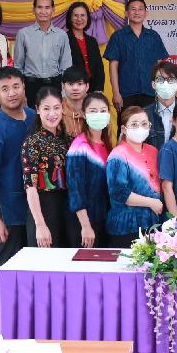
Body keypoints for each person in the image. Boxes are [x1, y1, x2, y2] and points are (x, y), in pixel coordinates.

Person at [0, 67, 35, 331]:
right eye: (5, 89)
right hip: (6, 213)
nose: (11, 93)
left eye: (15, 87)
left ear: (23, 87)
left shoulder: (33, 117)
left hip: (31, 212)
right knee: (1, 270)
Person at [105, 106, 164, 247]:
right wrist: (151, 202)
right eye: (134, 124)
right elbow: (119, 193)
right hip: (126, 226)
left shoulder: (153, 151)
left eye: (144, 124)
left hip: (152, 224)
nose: (140, 128)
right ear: (124, 129)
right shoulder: (118, 156)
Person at [22, 88, 71, 248]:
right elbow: (30, 187)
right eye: (46, 108)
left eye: (56, 108)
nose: (52, 114)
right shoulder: (32, 142)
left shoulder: (65, 139)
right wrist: (40, 225)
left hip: (65, 208)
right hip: (43, 208)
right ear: (37, 110)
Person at [104, 0, 169, 111]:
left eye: (140, 9)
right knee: (126, 122)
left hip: (150, 92)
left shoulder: (153, 36)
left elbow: (159, 67)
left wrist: (160, 91)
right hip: (126, 94)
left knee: (150, 122)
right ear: (127, 13)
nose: (137, 12)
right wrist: (116, 93)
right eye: (133, 9)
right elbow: (113, 66)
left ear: (145, 13)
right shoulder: (118, 36)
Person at [66, 92, 113, 248]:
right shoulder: (79, 147)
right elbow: (75, 190)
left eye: (103, 111)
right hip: (84, 223)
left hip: (103, 218)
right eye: (93, 111)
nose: (99, 115)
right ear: (84, 114)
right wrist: (85, 226)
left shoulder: (106, 143)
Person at [14, 0, 73, 108]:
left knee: (53, 117)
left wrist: (65, 93)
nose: (43, 11)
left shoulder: (61, 35)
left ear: (53, 10)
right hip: (31, 86)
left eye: (47, 7)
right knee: (31, 117)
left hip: (54, 85)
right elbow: (18, 66)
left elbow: (66, 66)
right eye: (39, 7)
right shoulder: (23, 34)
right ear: (34, 9)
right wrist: (20, 91)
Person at [66, 1, 106, 93]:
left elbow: (99, 68)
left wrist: (99, 89)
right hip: (73, 87)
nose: (79, 19)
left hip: (93, 88)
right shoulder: (64, 39)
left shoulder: (92, 41)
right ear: (70, 18)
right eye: (75, 15)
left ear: (87, 18)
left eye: (82, 15)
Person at [61, 66, 90, 138]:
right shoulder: (57, 108)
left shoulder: (96, 108)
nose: (75, 88)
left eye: (80, 84)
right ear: (63, 86)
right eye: (70, 84)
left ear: (87, 86)